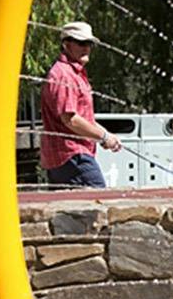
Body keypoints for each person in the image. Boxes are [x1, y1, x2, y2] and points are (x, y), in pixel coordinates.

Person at [40, 20, 121, 187]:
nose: (86, 48)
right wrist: (104, 137)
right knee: (98, 197)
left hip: (68, 156)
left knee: (72, 203)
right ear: (66, 44)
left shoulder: (74, 73)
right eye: (81, 43)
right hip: (71, 154)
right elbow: (70, 119)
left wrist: (106, 135)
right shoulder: (64, 75)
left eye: (89, 43)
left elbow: (84, 118)